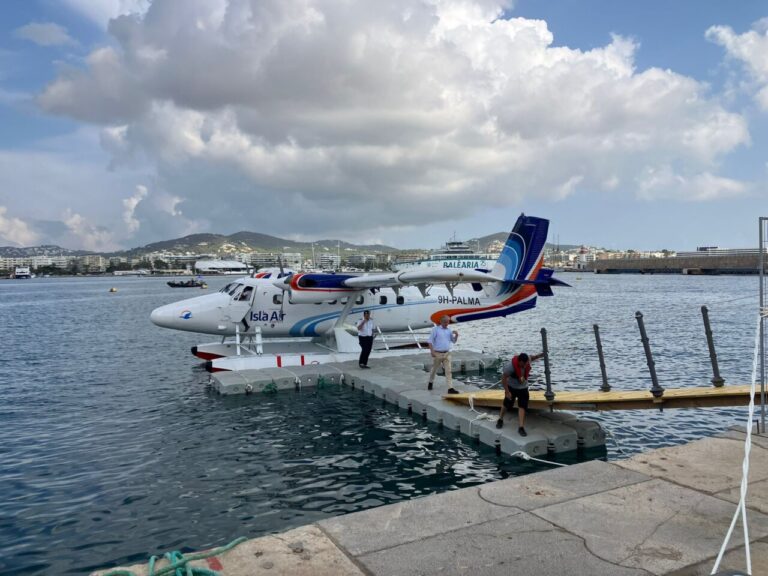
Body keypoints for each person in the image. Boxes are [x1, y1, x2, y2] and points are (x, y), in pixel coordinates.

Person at [496, 352, 544, 436]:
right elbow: (504, 379)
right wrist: (507, 392)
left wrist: (540, 355)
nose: (525, 366)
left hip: (523, 388)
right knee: (506, 404)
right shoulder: (510, 367)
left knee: (522, 406)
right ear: (520, 361)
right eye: (524, 364)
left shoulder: (527, 360)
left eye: (526, 364)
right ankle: (500, 419)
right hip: (512, 387)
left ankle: (521, 427)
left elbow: (533, 357)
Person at [427, 315, 459, 393]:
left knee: (448, 371)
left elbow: (453, 341)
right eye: (445, 322)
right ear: (441, 321)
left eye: (447, 322)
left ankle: (450, 388)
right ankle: (431, 382)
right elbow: (430, 341)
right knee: (434, 370)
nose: (446, 323)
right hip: (437, 353)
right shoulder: (435, 330)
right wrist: (432, 351)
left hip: (447, 353)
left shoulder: (449, 330)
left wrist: (456, 335)